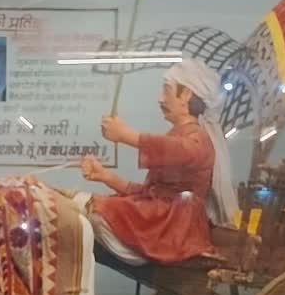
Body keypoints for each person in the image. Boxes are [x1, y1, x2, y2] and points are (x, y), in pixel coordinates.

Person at [75, 57, 239, 265]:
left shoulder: (198, 140)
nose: (161, 99)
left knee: (97, 208)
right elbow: (147, 192)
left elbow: (180, 151)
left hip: (174, 229)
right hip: (159, 217)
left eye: (166, 91)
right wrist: (106, 176)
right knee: (97, 206)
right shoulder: (177, 135)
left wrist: (126, 135)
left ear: (186, 95)